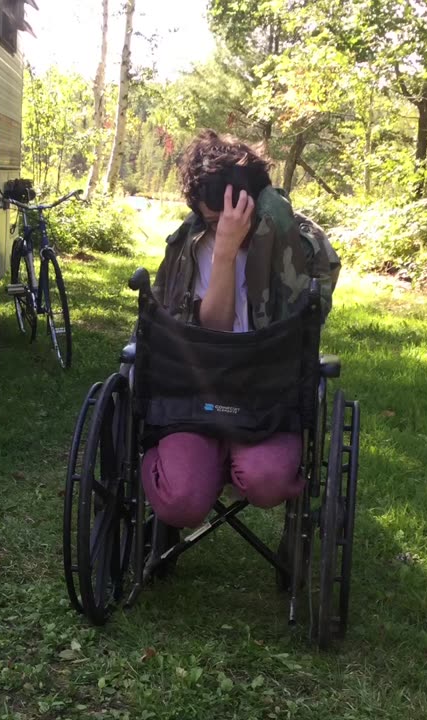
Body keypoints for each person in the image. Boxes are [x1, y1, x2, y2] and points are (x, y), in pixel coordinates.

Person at [142, 130, 340, 531]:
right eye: (207, 219)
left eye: (217, 218)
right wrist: (225, 252)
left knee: (267, 481)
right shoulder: (194, 243)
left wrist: (236, 244)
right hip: (196, 389)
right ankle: (182, 469)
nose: (213, 226)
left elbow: (305, 326)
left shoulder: (299, 244)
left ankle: (228, 463)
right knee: (180, 503)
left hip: (267, 392)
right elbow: (214, 327)